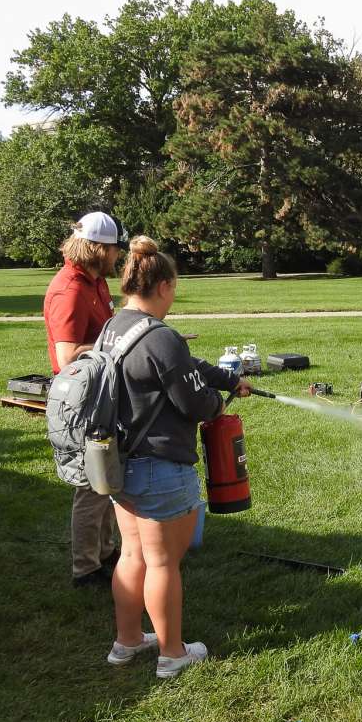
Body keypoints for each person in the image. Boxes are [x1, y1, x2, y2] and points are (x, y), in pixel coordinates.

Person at [103, 236, 252, 679]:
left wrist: (226, 378)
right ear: (164, 285)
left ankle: (127, 642)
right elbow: (194, 403)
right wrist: (220, 403)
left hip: (119, 463)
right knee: (163, 561)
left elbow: (182, 364)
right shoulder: (161, 337)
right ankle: (171, 653)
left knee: (132, 555)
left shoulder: (115, 326)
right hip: (160, 466)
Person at [43, 212, 125, 587]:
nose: (118, 255)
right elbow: (65, 356)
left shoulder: (96, 282)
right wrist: (123, 345)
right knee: (92, 486)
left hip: (101, 395)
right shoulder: (70, 289)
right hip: (82, 402)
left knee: (108, 477)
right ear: (97, 248)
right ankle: (85, 568)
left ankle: (106, 553)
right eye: (113, 249)